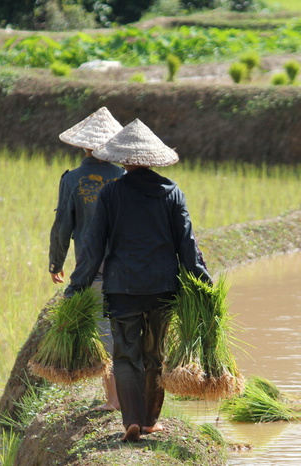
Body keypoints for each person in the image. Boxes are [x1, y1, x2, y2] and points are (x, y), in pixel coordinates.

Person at [64, 118, 211, 442]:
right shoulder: (172, 193)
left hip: (121, 287)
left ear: (125, 159)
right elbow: (187, 246)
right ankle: (148, 422)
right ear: (152, 159)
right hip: (161, 288)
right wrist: (203, 282)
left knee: (126, 354)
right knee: (154, 355)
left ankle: (129, 420)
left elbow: (93, 245)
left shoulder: (111, 193)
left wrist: (77, 285)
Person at [49, 106, 124, 411]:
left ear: (84, 144)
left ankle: (114, 400)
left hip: (91, 268)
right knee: (124, 331)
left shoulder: (73, 180)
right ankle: (125, 399)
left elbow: (62, 226)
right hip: (127, 269)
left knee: (103, 329)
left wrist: (56, 262)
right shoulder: (125, 177)